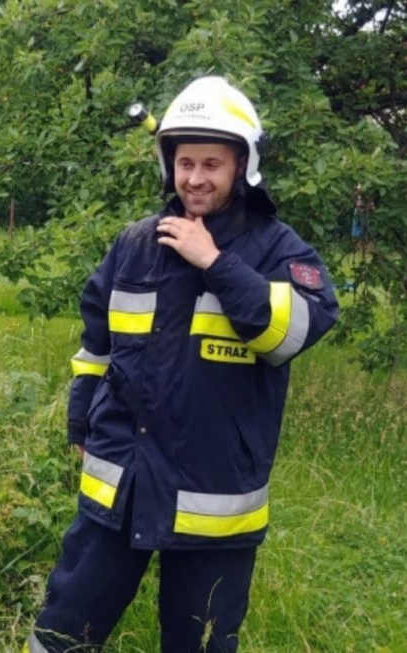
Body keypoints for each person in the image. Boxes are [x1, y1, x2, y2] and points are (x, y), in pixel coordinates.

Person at [25, 76, 339, 652]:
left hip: (212, 503)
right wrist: (81, 425)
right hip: (119, 486)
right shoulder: (135, 243)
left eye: (211, 164)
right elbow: (96, 341)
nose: (195, 178)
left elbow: (296, 331)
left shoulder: (278, 249)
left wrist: (215, 263)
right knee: (60, 633)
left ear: (242, 166)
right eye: (185, 162)